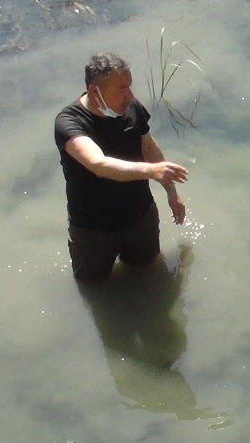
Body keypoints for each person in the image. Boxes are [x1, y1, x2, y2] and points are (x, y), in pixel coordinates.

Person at [55, 52, 189, 283]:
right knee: (92, 285)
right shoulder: (70, 122)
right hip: (93, 229)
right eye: (121, 89)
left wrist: (171, 192)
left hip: (139, 217)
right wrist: (151, 171)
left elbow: (148, 147)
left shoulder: (131, 107)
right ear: (95, 91)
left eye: (129, 86)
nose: (130, 95)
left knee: (150, 272)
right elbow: (98, 164)